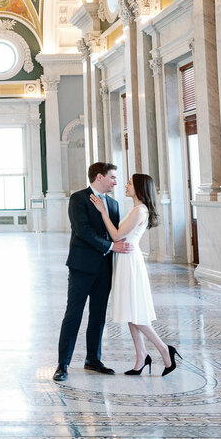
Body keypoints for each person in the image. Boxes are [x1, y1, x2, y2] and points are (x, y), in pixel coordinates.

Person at [91, 173, 180, 376]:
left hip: (130, 261)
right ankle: (141, 356)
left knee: (136, 313)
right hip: (124, 259)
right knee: (131, 311)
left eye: (130, 183)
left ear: (139, 188)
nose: (125, 185)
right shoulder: (136, 209)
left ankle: (165, 350)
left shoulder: (140, 211)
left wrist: (103, 212)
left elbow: (116, 235)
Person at [54, 162, 131, 382]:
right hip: (82, 266)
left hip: (105, 268)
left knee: (98, 315)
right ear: (99, 177)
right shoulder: (78, 198)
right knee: (73, 314)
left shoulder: (113, 204)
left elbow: (115, 233)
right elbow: (83, 231)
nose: (115, 182)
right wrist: (111, 246)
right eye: (112, 177)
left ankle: (93, 360)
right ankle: (63, 364)